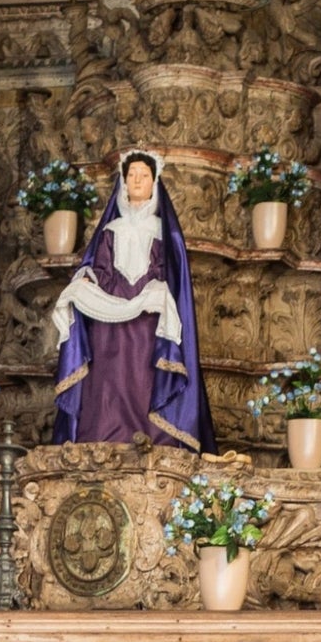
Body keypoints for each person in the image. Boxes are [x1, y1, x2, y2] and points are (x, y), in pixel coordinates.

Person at [51, 151, 215, 453]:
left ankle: (156, 438)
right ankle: (102, 436)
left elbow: (168, 272)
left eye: (144, 175)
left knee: (144, 367)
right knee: (105, 364)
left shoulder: (165, 232)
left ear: (154, 182)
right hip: (110, 312)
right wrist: (88, 279)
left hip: (147, 315)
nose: (137, 180)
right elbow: (100, 269)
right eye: (132, 175)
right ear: (123, 182)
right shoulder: (110, 231)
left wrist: (153, 290)